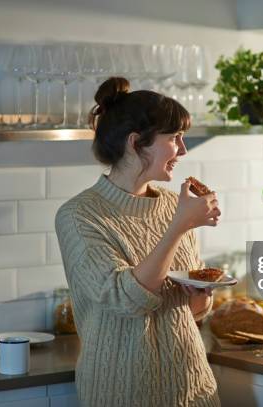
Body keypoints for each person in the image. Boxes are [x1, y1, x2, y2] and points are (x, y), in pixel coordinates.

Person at [55, 77, 221, 407]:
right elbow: (127, 300)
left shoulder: (177, 205)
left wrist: (202, 295)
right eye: (174, 138)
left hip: (195, 390)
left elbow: (189, 312)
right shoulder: (79, 216)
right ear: (136, 143)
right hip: (124, 394)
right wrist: (178, 226)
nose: (183, 150)